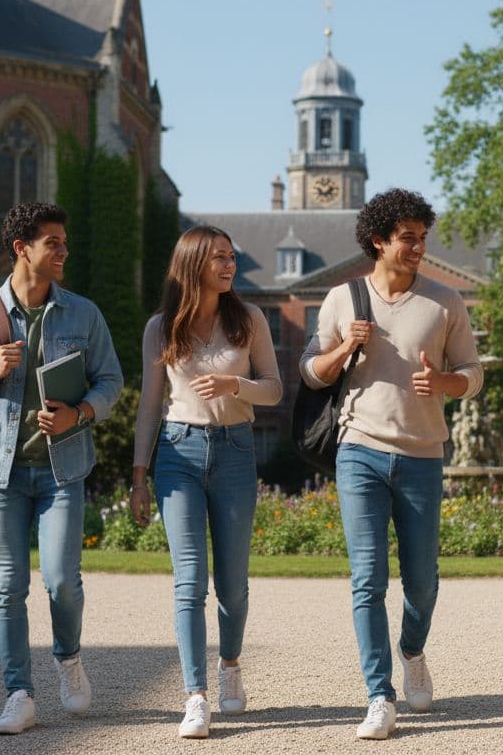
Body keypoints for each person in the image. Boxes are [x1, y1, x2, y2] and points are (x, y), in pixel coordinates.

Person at [0, 202, 123, 735]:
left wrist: (79, 413)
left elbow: (111, 381)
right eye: (53, 243)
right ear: (22, 249)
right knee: (7, 586)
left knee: (62, 580)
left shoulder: (83, 314)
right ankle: (19, 693)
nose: (64, 251)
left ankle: (68, 658)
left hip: (62, 470)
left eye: (64, 242)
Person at [299, 188, 483, 740]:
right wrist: (343, 349)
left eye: (424, 237)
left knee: (423, 582)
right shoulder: (342, 299)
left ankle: (412, 650)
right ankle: (379, 695)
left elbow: (473, 373)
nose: (419, 246)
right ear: (379, 241)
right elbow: (311, 373)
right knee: (367, 579)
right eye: (408, 238)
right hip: (359, 449)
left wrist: (446, 382)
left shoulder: (445, 301)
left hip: (423, 454)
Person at [129, 225, 283, 738]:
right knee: (189, 581)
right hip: (177, 453)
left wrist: (234, 383)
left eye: (231, 257)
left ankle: (231, 666)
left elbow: (275, 391)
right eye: (219, 257)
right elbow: (150, 405)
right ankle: (195, 695)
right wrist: (138, 476)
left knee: (233, 586)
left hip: (236, 450)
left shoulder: (250, 319)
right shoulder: (161, 328)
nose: (229, 264)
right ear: (193, 263)